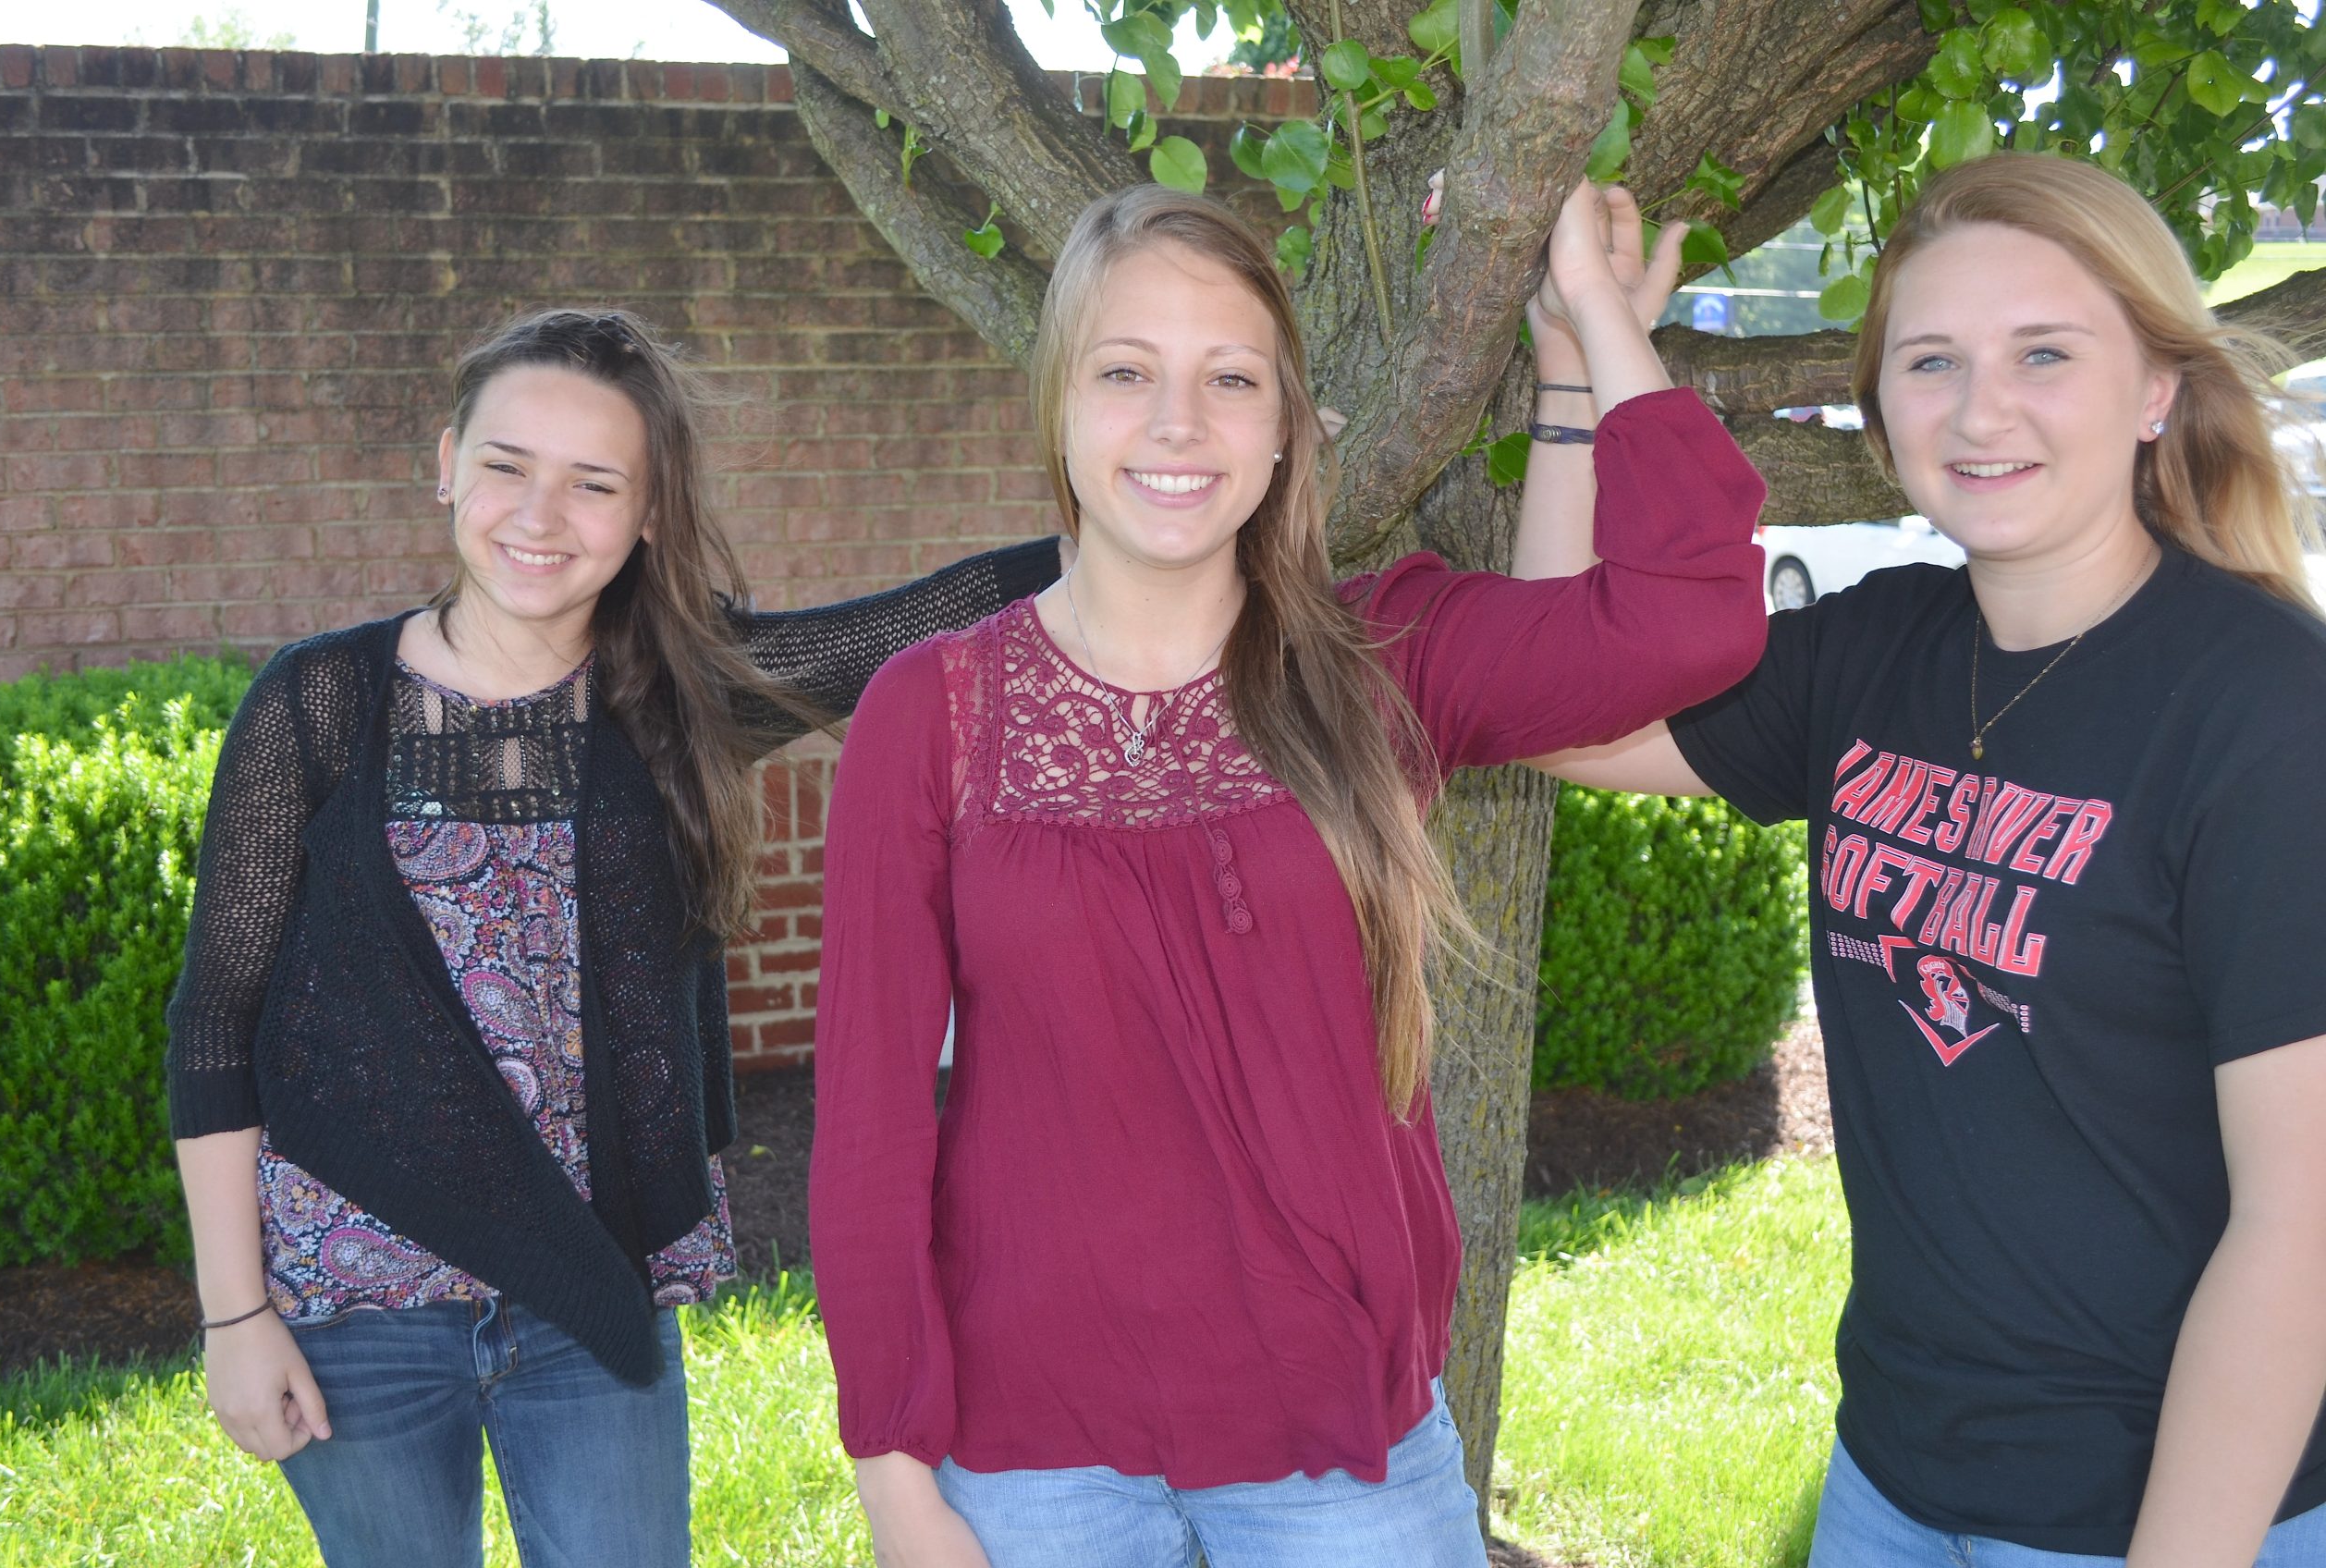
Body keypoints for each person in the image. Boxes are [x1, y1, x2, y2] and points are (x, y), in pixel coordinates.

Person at [807, 180, 1768, 1568]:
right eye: (1126, 372)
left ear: (1284, 432)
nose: (1178, 424)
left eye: (1231, 378)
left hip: (1343, 1450)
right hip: (1028, 1457)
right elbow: (873, 1123)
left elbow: (1687, 617)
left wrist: (1598, 325)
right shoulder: (936, 709)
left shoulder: (1381, 663)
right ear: (1059, 407)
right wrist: (897, 1482)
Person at [1521, 153, 2326, 1566]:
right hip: (1892, 1484)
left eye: (2045, 354)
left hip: (2160, 1515)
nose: (1979, 408)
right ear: (1882, 404)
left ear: (2155, 391)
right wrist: (1580, 373)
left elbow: (2302, 1226)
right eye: (1930, 360)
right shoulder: (1875, 647)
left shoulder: (2264, 709)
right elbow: (1559, 713)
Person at [165, 307, 1067, 1566]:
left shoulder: (675, 699)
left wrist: (1169, 506)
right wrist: (234, 1315)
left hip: (591, 1287)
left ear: (646, 514)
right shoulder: (319, 704)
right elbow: (218, 1022)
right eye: (507, 466)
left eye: (594, 484)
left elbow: (930, 617)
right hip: (353, 1291)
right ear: (445, 464)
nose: (541, 517)